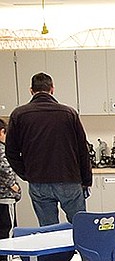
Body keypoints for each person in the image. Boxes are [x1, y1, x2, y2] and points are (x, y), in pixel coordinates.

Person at [5, 72, 92, 226]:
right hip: (69, 179)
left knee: (49, 231)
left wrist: (27, 174)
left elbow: (11, 152)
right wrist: (86, 181)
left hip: (38, 181)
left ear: (31, 90)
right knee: (80, 227)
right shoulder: (68, 113)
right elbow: (82, 150)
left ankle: (55, 251)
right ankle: (80, 251)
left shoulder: (19, 115)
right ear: (52, 89)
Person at [0, 118, 22, 261]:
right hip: (5, 195)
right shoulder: (1, 149)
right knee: (8, 228)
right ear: (2, 132)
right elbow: (5, 168)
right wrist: (14, 186)